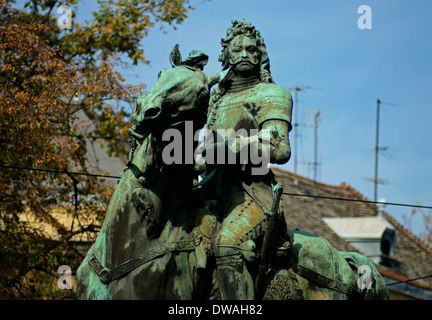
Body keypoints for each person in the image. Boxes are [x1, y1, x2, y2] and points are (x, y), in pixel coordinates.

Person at [199, 19, 293, 299]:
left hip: (253, 194)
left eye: (251, 49)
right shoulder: (214, 99)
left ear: (261, 56)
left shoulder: (273, 94)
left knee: (227, 244)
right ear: (225, 56)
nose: (244, 54)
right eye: (237, 49)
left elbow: (279, 148)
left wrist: (230, 147)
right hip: (210, 194)